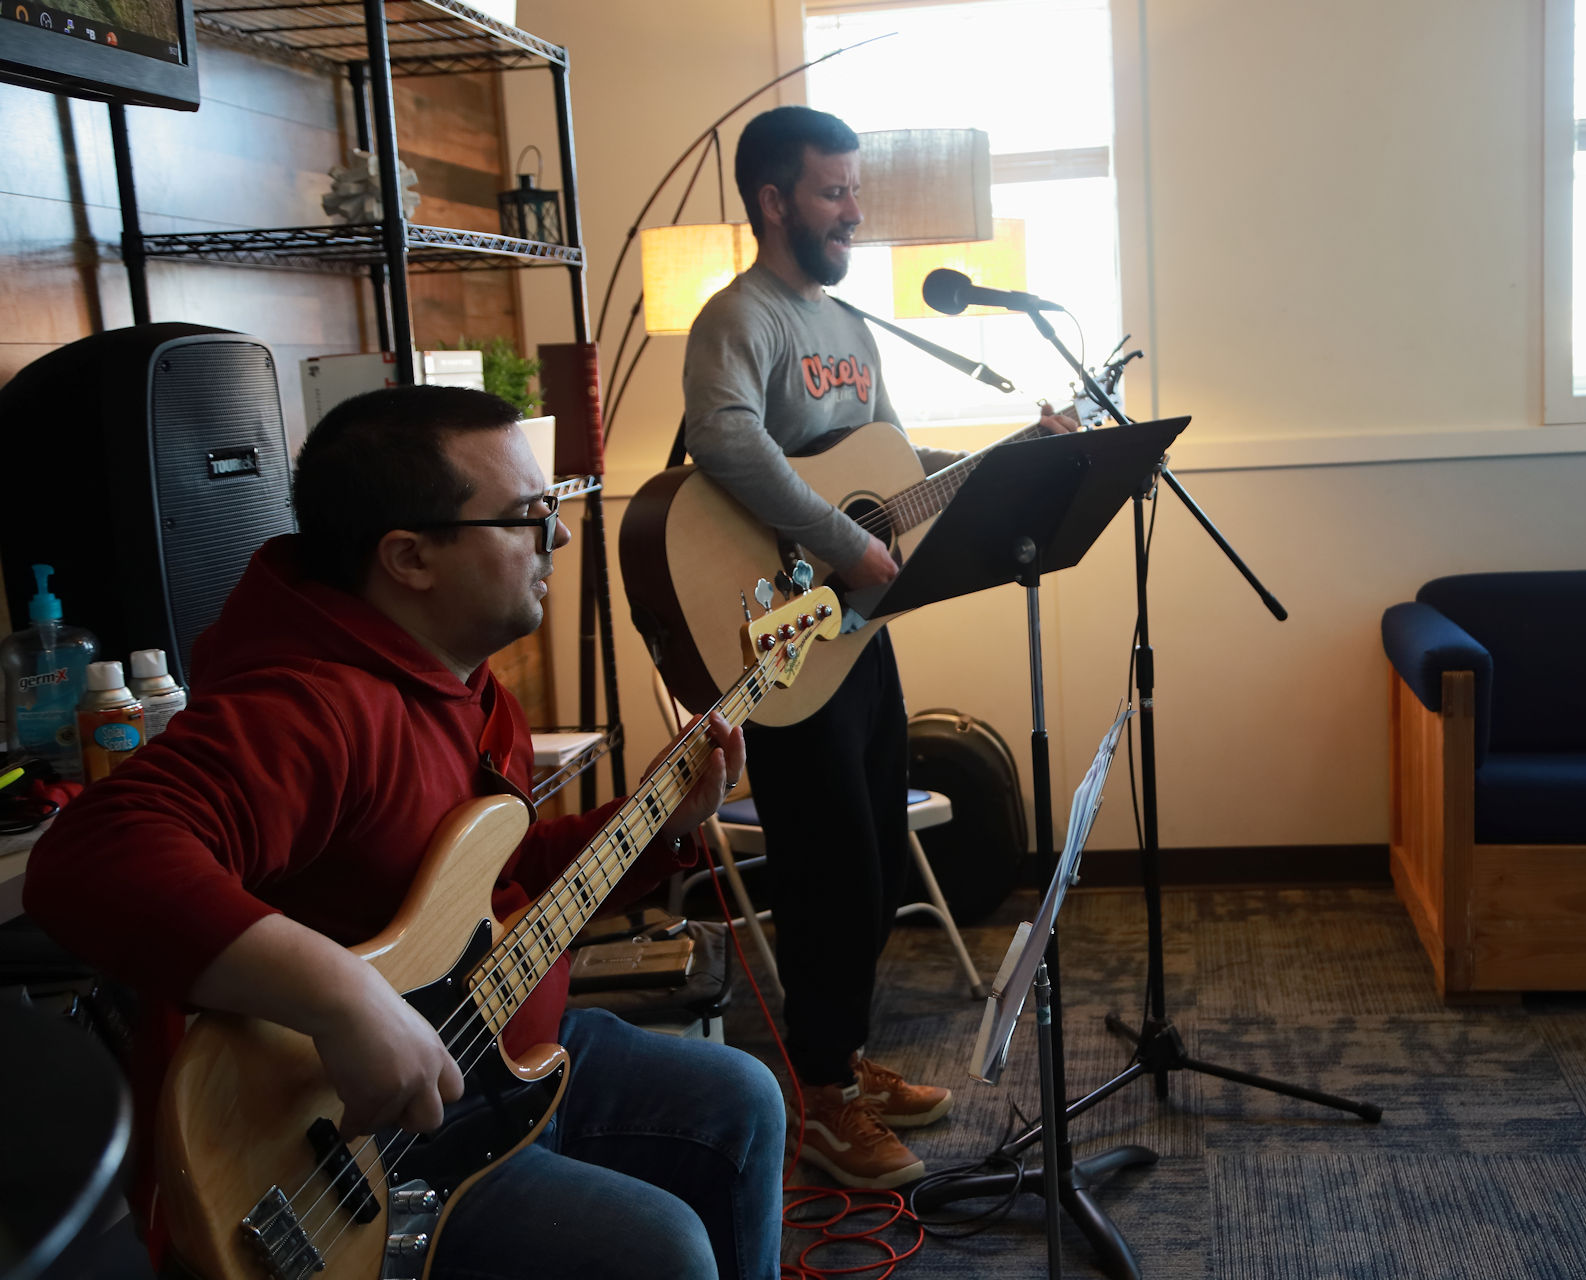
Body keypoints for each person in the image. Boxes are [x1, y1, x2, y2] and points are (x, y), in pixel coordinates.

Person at [23, 386, 781, 1280]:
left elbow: (500, 887)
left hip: (503, 1055)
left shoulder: (465, 683)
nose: (558, 538)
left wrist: (658, 824)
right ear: (410, 557)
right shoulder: (310, 707)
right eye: (528, 516)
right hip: (363, 1147)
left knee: (743, 1099)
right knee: (661, 1249)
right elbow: (91, 855)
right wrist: (345, 1000)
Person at [681, 105, 1074, 1189]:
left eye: (855, 189)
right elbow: (722, 437)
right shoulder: (740, 316)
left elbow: (893, 463)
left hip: (852, 639)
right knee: (828, 868)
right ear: (774, 201)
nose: (855, 210)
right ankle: (820, 1102)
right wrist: (847, 540)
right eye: (834, 190)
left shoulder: (848, 327)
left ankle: (841, 1062)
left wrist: (1011, 457)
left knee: (874, 860)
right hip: (783, 636)